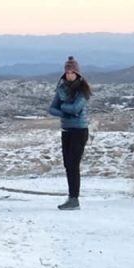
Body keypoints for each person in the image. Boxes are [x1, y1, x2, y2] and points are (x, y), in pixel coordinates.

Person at [48, 56, 92, 210]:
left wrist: (64, 108)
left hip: (79, 131)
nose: (69, 75)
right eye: (67, 72)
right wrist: (65, 112)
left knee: (74, 165)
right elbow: (51, 109)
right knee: (68, 165)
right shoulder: (61, 89)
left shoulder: (83, 90)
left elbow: (76, 108)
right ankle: (71, 196)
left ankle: (75, 199)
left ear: (77, 74)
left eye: (72, 72)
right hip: (66, 130)